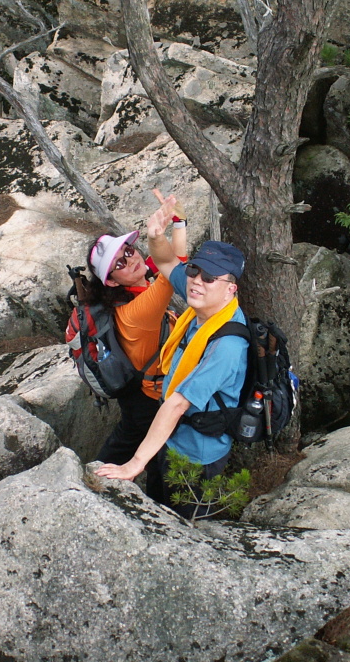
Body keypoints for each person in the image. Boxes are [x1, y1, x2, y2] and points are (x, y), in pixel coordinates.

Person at [96, 202, 248, 519]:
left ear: (230, 289)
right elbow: (167, 261)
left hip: (196, 456)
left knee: (188, 523)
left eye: (210, 278)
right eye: (195, 270)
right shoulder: (203, 301)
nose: (196, 281)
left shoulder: (227, 346)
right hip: (170, 438)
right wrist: (156, 233)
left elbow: (178, 403)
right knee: (158, 508)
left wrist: (135, 464)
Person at [86, 190, 187, 465]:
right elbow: (174, 268)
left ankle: (97, 474)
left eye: (129, 251)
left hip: (139, 390)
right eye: (120, 263)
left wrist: (175, 221)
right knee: (152, 451)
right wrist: (177, 225)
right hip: (148, 398)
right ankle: (95, 480)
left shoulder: (134, 289)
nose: (131, 260)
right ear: (111, 281)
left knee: (130, 439)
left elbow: (157, 263)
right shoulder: (138, 311)